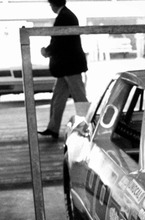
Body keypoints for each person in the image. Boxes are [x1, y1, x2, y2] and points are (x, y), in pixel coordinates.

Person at [38, 0, 88, 139]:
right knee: (59, 98)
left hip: (68, 65)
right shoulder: (68, 15)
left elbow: (59, 41)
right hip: (68, 66)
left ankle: (89, 126)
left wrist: (47, 51)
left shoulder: (63, 17)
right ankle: (53, 128)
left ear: (53, 4)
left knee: (78, 98)